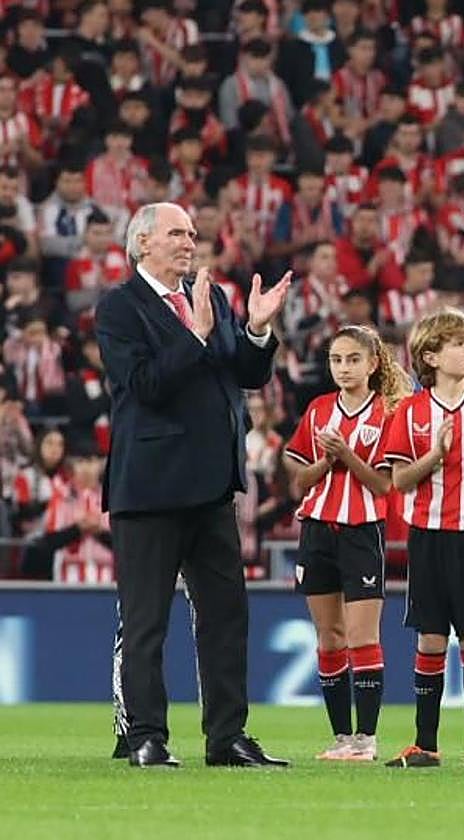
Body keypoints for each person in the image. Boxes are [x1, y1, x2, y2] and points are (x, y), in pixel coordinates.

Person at [94, 202, 291, 768]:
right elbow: (144, 386)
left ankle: (227, 737)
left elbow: (246, 375)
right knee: (146, 619)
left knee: (227, 616)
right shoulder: (120, 307)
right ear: (142, 245)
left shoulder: (214, 297)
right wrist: (197, 336)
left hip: (212, 487)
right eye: (176, 232)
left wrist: (255, 329)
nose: (189, 241)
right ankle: (145, 736)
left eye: (192, 232)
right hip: (150, 488)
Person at [385, 308, 464, 769]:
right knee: (431, 640)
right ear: (431, 356)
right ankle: (425, 745)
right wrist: (436, 456)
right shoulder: (412, 411)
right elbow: (399, 481)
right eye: (460, 345)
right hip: (427, 537)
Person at [283, 324, 409, 762]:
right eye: (336, 360)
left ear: (373, 364)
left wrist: (347, 455)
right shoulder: (318, 410)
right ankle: (341, 739)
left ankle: (367, 739)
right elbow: (300, 479)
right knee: (329, 636)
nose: (343, 368)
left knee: (361, 635)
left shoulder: (389, 413)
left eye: (353, 359)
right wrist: (325, 460)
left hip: (362, 531)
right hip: (317, 529)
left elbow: (382, 485)